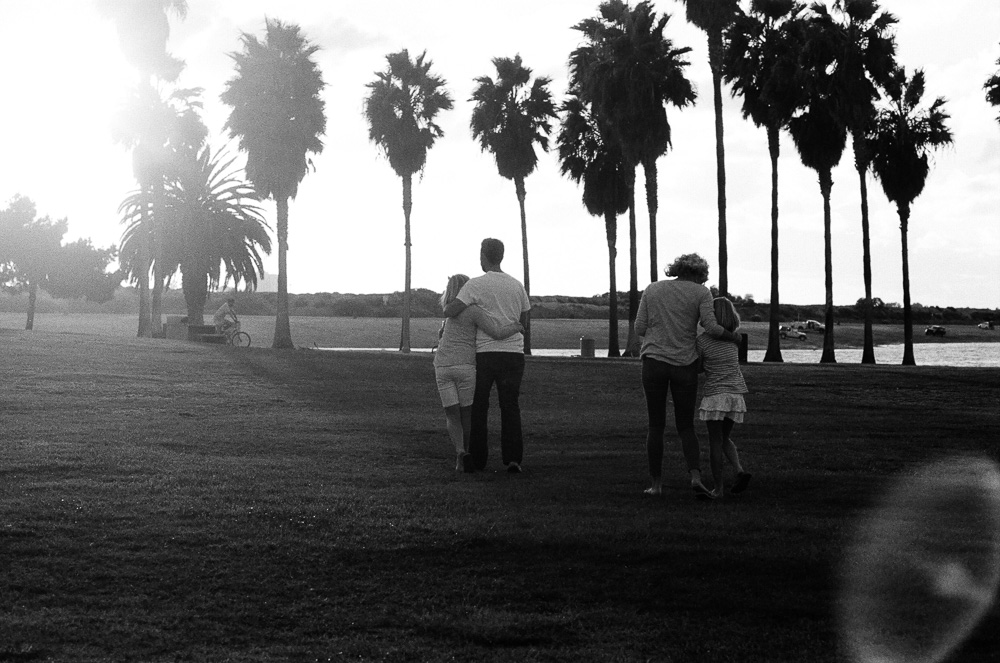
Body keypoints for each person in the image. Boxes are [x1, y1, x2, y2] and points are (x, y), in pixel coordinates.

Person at [635, 253, 742, 500]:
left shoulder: (652, 289)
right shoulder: (700, 293)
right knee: (685, 426)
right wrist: (734, 337)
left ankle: (656, 484)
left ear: (677, 269)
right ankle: (695, 476)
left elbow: (640, 328)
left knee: (656, 425)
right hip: (685, 365)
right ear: (699, 274)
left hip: (653, 362)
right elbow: (712, 327)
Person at [443, 239, 531, 473]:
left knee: (479, 406)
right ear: (501, 256)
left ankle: (478, 459)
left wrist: (472, 310)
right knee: (510, 406)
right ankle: (513, 460)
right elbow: (524, 321)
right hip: (513, 354)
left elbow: (450, 310)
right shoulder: (516, 285)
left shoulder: (475, 285)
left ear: (484, 255)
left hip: (485, 353)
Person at [697, 297, 751, 498]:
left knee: (714, 442)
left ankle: (717, 490)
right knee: (725, 437)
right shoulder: (734, 339)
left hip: (716, 395)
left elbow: (699, 368)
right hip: (736, 394)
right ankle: (739, 470)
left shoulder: (702, 341)